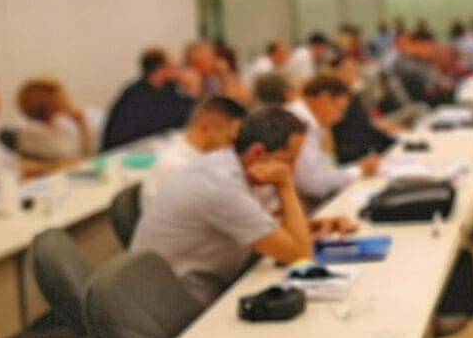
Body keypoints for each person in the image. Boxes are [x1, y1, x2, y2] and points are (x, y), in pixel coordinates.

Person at [131, 107, 355, 307]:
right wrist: (284, 185)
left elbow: (260, 225)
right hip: (181, 305)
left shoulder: (222, 161)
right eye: (289, 160)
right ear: (257, 153)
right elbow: (299, 255)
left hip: (196, 286)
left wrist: (313, 225)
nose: (292, 170)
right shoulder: (223, 187)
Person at [285, 74, 379, 206]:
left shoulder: (302, 118)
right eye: (339, 109)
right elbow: (314, 184)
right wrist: (359, 169)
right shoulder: (298, 123)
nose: (340, 117)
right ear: (324, 99)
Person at [140, 95, 248, 205]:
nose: (231, 148)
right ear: (205, 128)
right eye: (230, 140)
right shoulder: (174, 167)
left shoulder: (208, 161)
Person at [100, 48, 195, 151]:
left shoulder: (169, 89)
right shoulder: (136, 94)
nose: (181, 71)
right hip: (126, 151)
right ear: (160, 70)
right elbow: (166, 122)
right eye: (176, 67)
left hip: (152, 147)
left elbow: (187, 120)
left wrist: (190, 92)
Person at [329, 56, 397, 165]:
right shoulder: (334, 97)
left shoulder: (352, 94)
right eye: (348, 70)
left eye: (354, 69)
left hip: (366, 140)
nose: (352, 73)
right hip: (353, 146)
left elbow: (365, 122)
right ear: (336, 72)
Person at [15, 77, 93, 163]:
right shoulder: (32, 131)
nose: (67, 99)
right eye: (62, 96)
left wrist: (82, 126)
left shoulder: (62, 125)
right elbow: (26, 164)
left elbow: (86, 155)